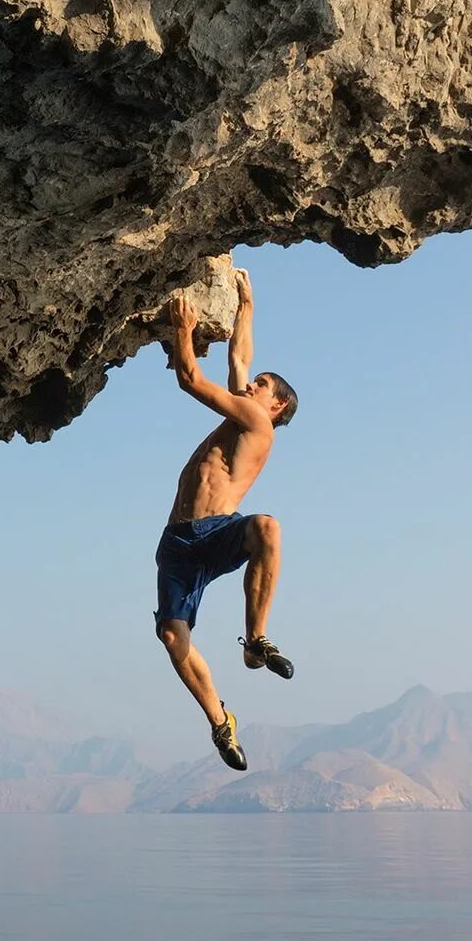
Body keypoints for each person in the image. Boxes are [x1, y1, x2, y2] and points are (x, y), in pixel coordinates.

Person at [154, 268, 298, 770]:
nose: (250, 384)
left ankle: (256, 639)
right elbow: (239, 358)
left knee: (266, 527)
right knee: (173, 638)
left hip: (217, 532)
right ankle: (221, 722)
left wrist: (183, 330)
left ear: (275, 405)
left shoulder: (258, 422)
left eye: (260, 386)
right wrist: (246, 304)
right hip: (177, 541)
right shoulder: (244, 411)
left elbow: (191, 378)